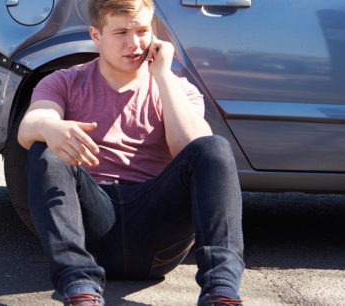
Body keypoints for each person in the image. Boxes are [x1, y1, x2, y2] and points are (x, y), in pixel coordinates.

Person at [16, 0, 245, 305]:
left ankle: (221, 292)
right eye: (121, 32)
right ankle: (79, 286)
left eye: (142, 30)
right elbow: (29, 126)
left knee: (214, 147)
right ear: (96, 36)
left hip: (158, 237)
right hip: (92, 233)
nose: (134, 43)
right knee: (46, 147)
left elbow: (194, 148)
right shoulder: (65, 81)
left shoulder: (178, 88)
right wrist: (51, 128)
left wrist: (163, 75)